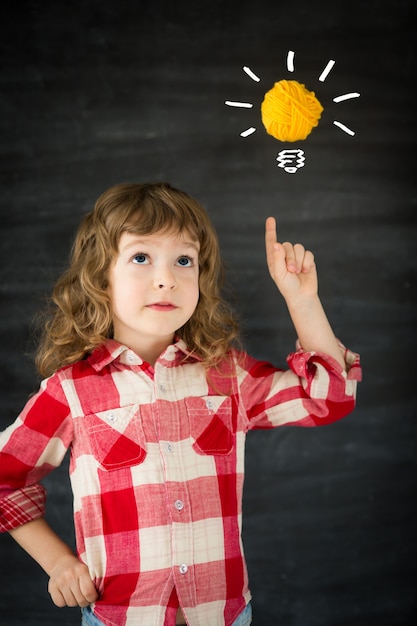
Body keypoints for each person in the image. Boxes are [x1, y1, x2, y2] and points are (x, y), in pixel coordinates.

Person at [0, 182, 361, 626]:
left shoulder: (227, 376)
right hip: (120, 617)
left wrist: (302, 301)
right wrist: (57, 562)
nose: (166, 277)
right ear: (100, 277)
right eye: (140, 257)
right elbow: (5, 480)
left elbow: (328, 399)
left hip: (224, 614)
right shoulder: (70, 391)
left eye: (183, 260)